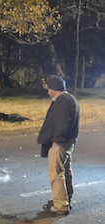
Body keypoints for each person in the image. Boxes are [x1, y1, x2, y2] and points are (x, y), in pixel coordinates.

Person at [37, 75, 80, 214]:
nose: (48, 91)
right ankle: (65, 198)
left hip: (60, 143)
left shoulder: (62, 101)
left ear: (54, 88)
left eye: (49, 88)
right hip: (68, 141)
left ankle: (61, 205)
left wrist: (57, 140)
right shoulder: (70, 99)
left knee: (56, 173)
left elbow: (62, 123)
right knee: (65, 171)